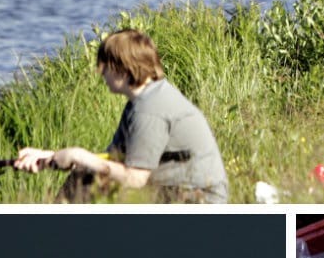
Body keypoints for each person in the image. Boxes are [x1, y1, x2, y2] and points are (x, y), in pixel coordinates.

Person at [14, 28, 229, 203]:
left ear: (123, 69)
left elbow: (135, 179)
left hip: (198, 199)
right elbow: (113, 159)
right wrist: (50, 157)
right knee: (86, 175)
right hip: (175, 190)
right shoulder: (143, 100)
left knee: (89, 179)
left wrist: (79, 156)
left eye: (104, 67)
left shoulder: (150, 109)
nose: (100, 73)